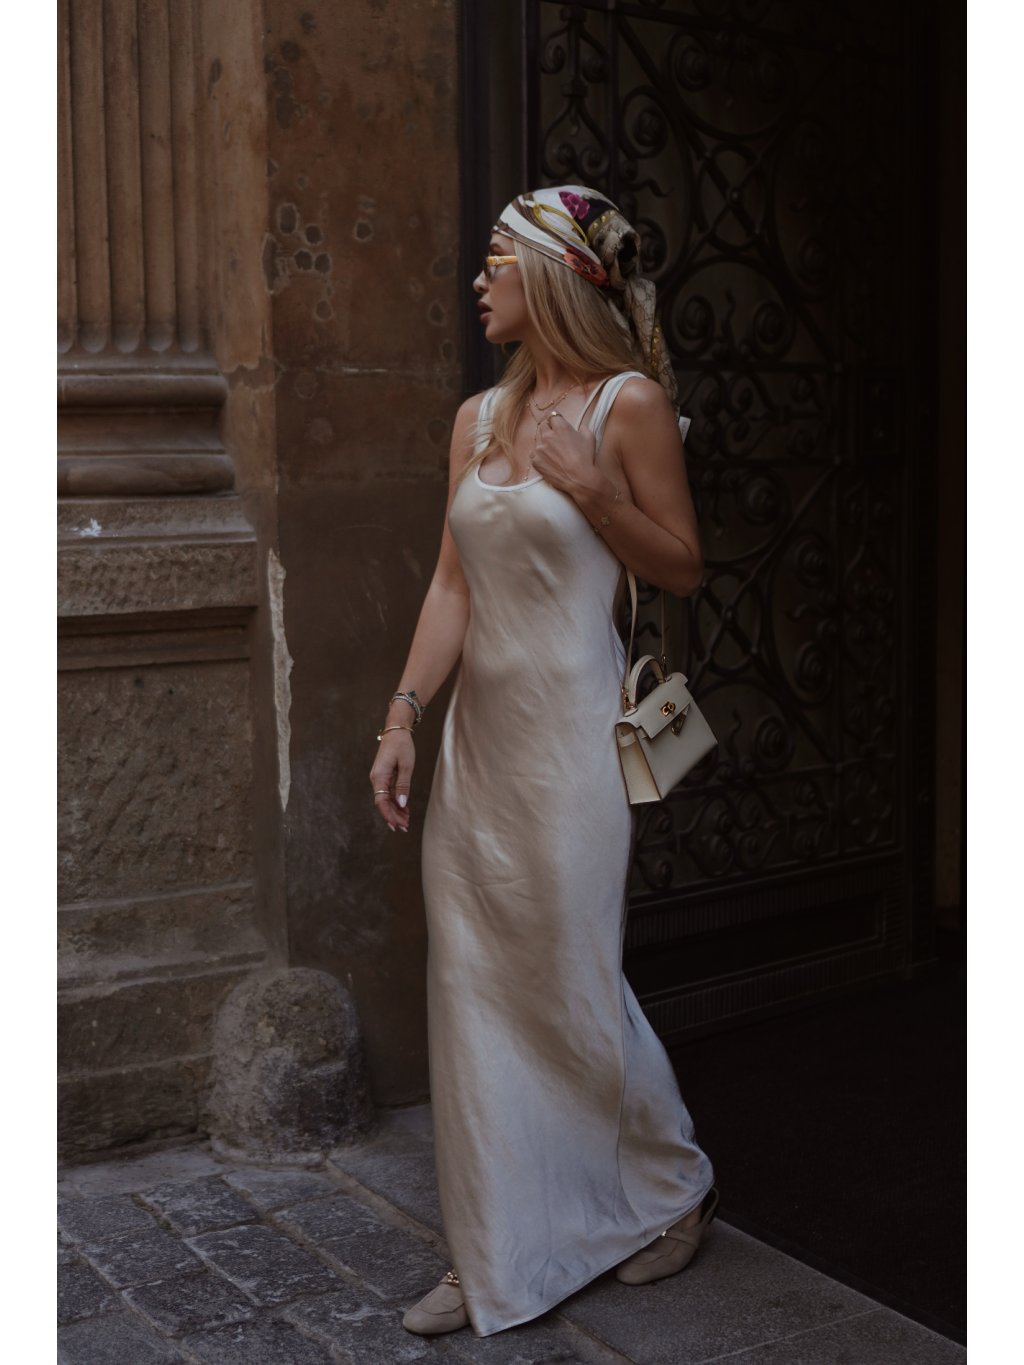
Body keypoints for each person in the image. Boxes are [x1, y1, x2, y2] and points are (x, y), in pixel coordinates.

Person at [369, 185, 718, 1339]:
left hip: (571, 750)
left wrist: (592, 489)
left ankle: (669, 1187)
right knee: (472, 989)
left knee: (569, 983)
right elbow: (451, 586)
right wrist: (403, 716)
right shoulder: (474, 420)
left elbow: (680, 566)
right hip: (478, 752)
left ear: (556, 275)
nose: (478, 281)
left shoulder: (629, 405)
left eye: (496, 262)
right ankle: (490, 1253)